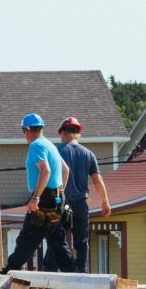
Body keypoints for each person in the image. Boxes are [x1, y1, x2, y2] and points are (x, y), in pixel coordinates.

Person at [3, 112, 73, 273]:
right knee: (57, 240)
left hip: (44, 198)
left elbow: (45, 170)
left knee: (28, 237)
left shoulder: (36, 146)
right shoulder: (50, 145)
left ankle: (8, 270)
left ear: (27, 130)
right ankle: (73, 272)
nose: (24, 135)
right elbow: (66, 170)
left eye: (24, 131)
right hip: (56, 197)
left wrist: (36, 197)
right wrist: (60, 192)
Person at [54, 115, 111, 273]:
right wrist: (105, 201)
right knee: (81, 241)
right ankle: (81, 272)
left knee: (56, 238)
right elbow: (97, 180)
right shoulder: (88, 154)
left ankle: (51, 270)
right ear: (77, 133)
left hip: (60, 202)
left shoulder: (56, 152)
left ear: (63, 133)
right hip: (80, 203)